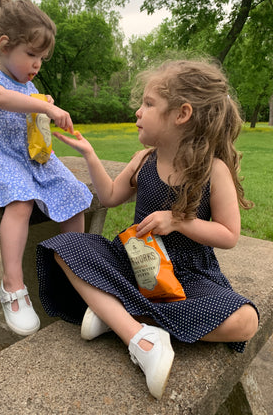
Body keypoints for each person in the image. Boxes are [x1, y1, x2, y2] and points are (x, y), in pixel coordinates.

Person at [36, 59, 259, 400]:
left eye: (148, 104)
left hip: (187, 277)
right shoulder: (144, 160)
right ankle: (138, 332)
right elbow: (110, 196)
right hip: (133, 263)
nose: (138, 112)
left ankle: (122, 318)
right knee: (64, 247)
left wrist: (179, 221)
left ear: (181, 114)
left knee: (245, 322)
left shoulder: (213, 170)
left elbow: (229, 235)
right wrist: (90, 155)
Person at [0, 0, 93, 337]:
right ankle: (13, 286)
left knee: (74, 193)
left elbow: (30, 111)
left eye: (42, 58)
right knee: (21, 200)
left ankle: (76, 273)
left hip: (31, 157)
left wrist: (42, 107)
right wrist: (43, 106)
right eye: (31, 54)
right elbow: (1, 99)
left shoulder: (28, 84)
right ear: (5, 45)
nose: (37, 64)